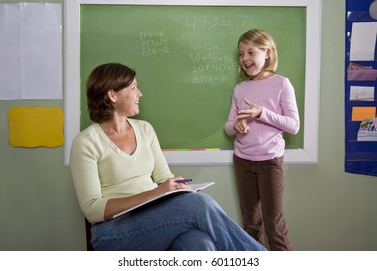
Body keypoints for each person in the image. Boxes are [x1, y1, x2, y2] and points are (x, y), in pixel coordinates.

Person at [70, 62, 266, 251]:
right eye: (133, 88)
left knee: (200, 244)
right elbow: (93, 209)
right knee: (201, 204)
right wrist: (155, 193)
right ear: (112, 95)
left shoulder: (145, 129)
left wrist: (175, 187)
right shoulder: (86, 142)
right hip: (114, 233)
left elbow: (164, 177)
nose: (140, 94)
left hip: (157, 219)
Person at [224, 28, 300, 251]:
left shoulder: (282, 84)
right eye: (241, 54)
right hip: (242, 161)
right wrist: (236, 125)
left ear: (267, 53)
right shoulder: (240, 88)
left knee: (273, 225)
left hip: (270, 162)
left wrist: (262, 113)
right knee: (250, 223)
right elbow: (228, 127)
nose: (245, 59)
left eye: (250, 52)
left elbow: (293, 126)